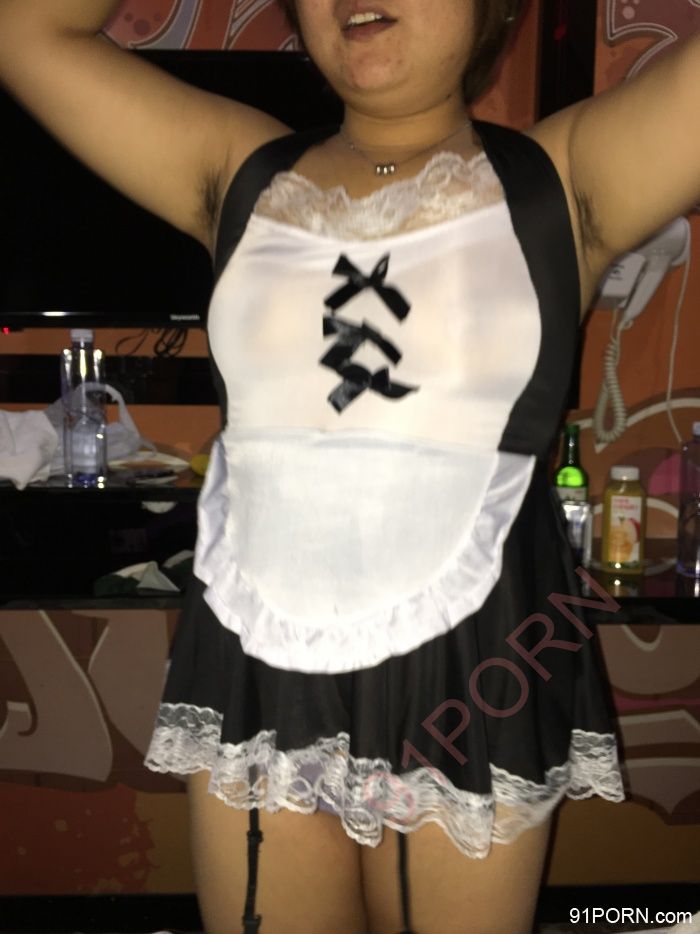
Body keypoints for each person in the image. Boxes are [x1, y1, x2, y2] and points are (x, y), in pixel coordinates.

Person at [1, 1, 698, 931]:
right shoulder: (233, 168)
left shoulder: (566, 179)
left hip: (471, 660)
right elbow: (25, 33)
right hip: (254, 655)